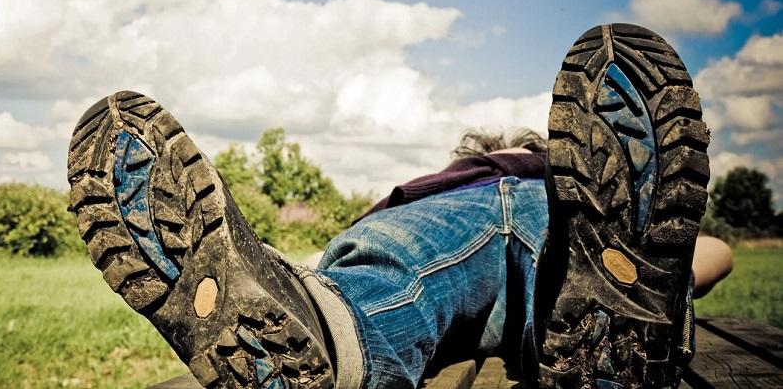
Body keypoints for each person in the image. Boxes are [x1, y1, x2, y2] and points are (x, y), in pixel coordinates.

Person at [67, 23, 732, 389]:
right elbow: (713, 253)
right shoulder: (558, 181)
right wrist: (661, 276)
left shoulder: (433, 184)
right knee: (569, 297)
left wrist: (293, 284)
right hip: (557, 225)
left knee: (388, 282)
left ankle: (331, 334)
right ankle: (618, 333)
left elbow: (336, 255)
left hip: (430, 229)